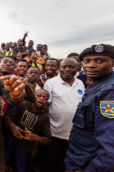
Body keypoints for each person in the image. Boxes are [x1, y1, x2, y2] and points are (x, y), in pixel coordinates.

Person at [65, 44, 114, 172]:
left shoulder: (109, 92)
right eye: (87, 61)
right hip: (79, 157)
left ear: (113, 62)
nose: (91, 65)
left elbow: (110, 147)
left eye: (99, 61)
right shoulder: (97, 84)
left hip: (87, 164)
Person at [42, 58, 85, 172]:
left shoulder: (80, 83)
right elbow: (45, 106)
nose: (67, 69)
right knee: (49, 162)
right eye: (64, 66)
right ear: (59, 68)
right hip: (54, 132)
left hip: (74, 133)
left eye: (71, 67)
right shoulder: (50, 83)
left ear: (77, 69)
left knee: (63, 163)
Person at [4, 89, 51, 172]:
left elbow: (48, 140)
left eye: (45, 98)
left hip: (24, 148)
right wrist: (12, 126)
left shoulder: (45, 117)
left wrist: (36, 138)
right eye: (39, 96)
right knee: (5, 165)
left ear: (47, 102)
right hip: (11, 142)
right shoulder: (23, 105)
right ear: (33, 96)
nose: (41, 99)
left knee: (20, 169)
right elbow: (7, 117)